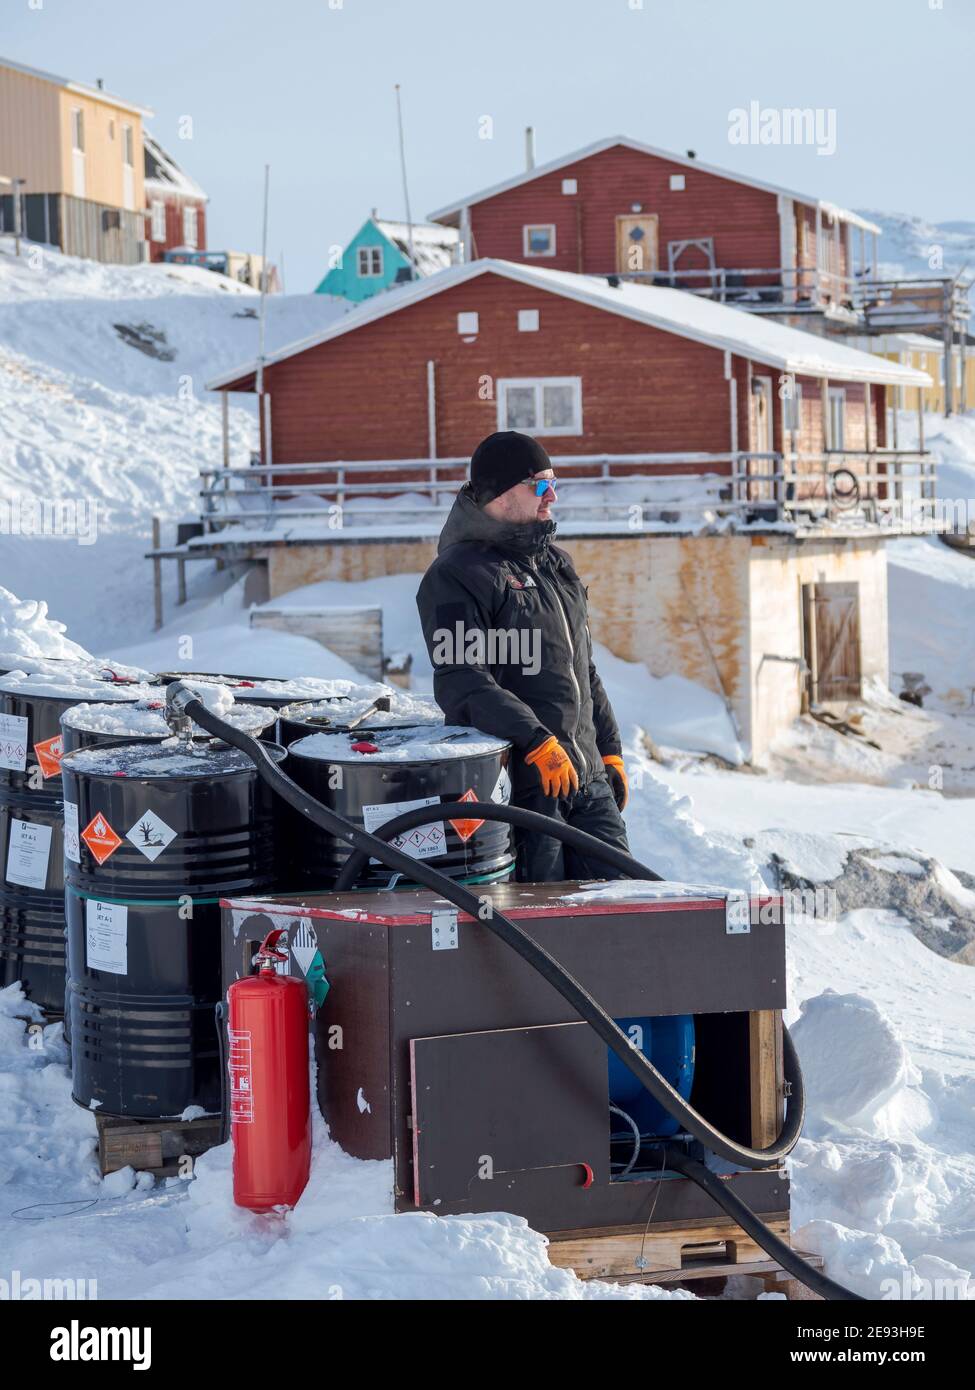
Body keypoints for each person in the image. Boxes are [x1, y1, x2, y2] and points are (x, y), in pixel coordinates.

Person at [416, 430, 630, 882]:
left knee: (623, 907)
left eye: (554, 482)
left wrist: (609, 751)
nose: (551, 494)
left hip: (585, 779)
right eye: (538, 484)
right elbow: (462, 679)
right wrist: (535, 741)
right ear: (497, 493)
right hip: (528, 788)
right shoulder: (459, 574)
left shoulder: (556, 564)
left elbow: (582, 669)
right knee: (544, 926)